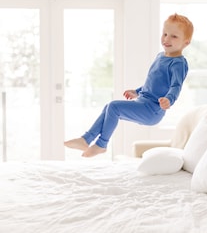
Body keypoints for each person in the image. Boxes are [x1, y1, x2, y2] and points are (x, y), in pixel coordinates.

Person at [64, 13, 194, 157]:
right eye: (165, 34)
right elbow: (152, 82)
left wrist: (169, 99)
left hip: (152, 110)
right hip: (143, 102)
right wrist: (137, 91)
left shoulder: (179, 63)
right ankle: (85, 139)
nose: (166, 39)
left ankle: (101, 144)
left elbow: (176, 86)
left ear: (186, 42)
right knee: (109, 107)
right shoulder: (160, 56)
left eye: (174, 36)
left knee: (114, 107)